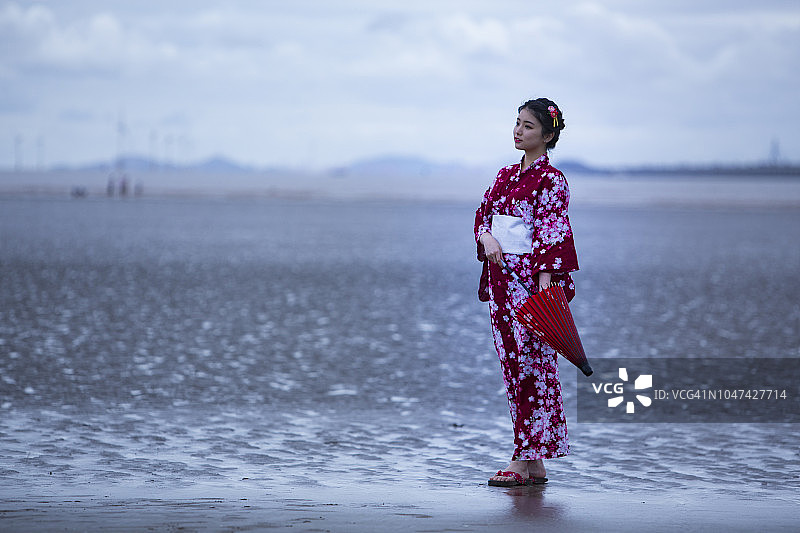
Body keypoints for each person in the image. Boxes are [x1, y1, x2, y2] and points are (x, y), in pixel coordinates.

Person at [474, 97, 579, 487]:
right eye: (517, 123)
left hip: (532, 287)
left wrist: (546, 293)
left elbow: (553, 235)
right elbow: (483, 215)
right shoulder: (503, 176)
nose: (519, 131)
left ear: (548, 135)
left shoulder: (552, 181)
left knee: (534, 369)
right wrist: (486, 235)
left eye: (529, 126)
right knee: (514, 369)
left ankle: (523, 458)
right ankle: (534, 461)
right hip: (501, 285)